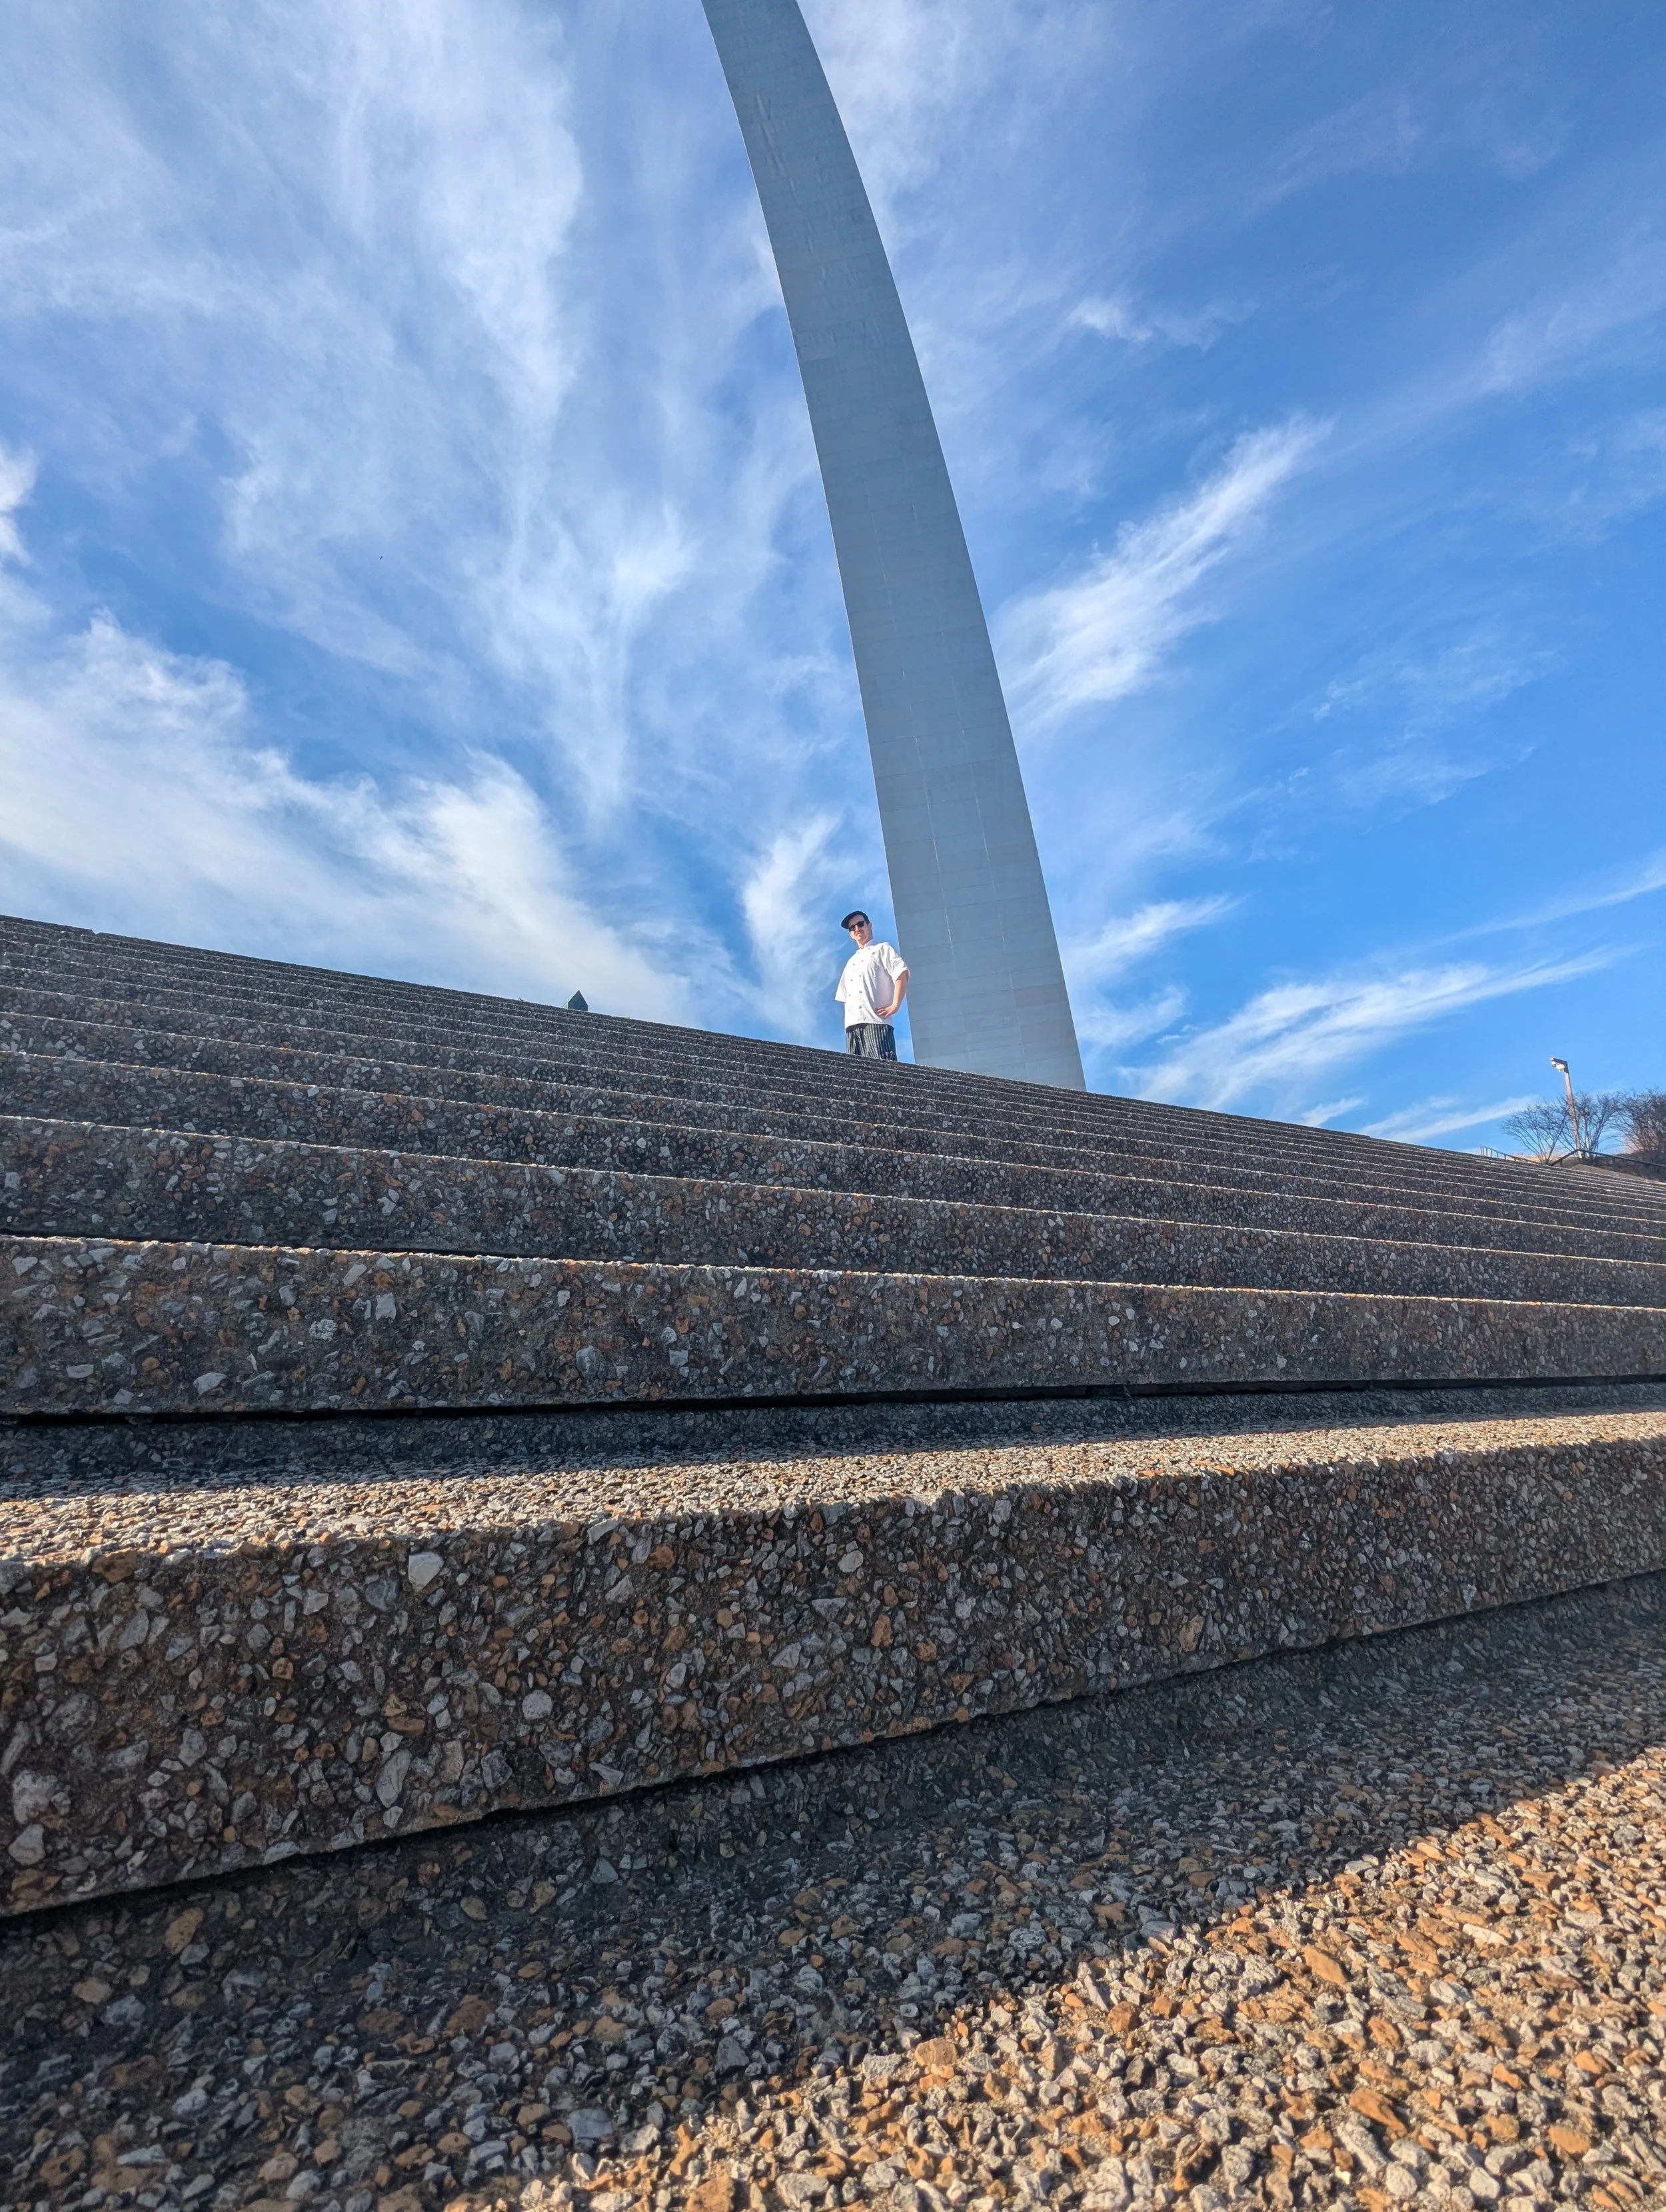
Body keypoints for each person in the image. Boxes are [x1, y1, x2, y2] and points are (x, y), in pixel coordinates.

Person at [835, 910, 908, 1060]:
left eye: (860, 924)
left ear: (869, 926)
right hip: (852, 1025)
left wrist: (895, 1005)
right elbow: (845, 995)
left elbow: (901, 973)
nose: (857, 929)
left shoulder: (883, 949)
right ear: (851, 934)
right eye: (852, 928)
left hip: (876, 1021)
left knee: (883, 1066)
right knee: (855, 1074)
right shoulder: (851, 962)